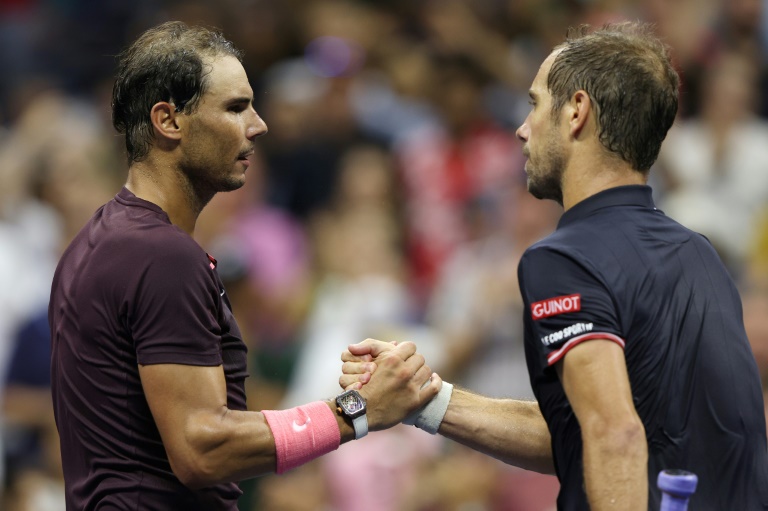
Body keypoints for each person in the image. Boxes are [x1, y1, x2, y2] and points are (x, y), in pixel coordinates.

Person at [341, 21, 768, 511]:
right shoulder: (701, 253)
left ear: (576, 112)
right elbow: (586, 434)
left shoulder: (563, 258)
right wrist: (425, 399)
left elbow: (614, 435)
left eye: (535, 103)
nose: (522, 129)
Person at [48, 21, 441, 511]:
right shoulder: (161, 255)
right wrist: (357, 411)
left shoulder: (96, 241)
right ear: (168, 120)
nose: (259, 125)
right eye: (235, 108)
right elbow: (203, 449)